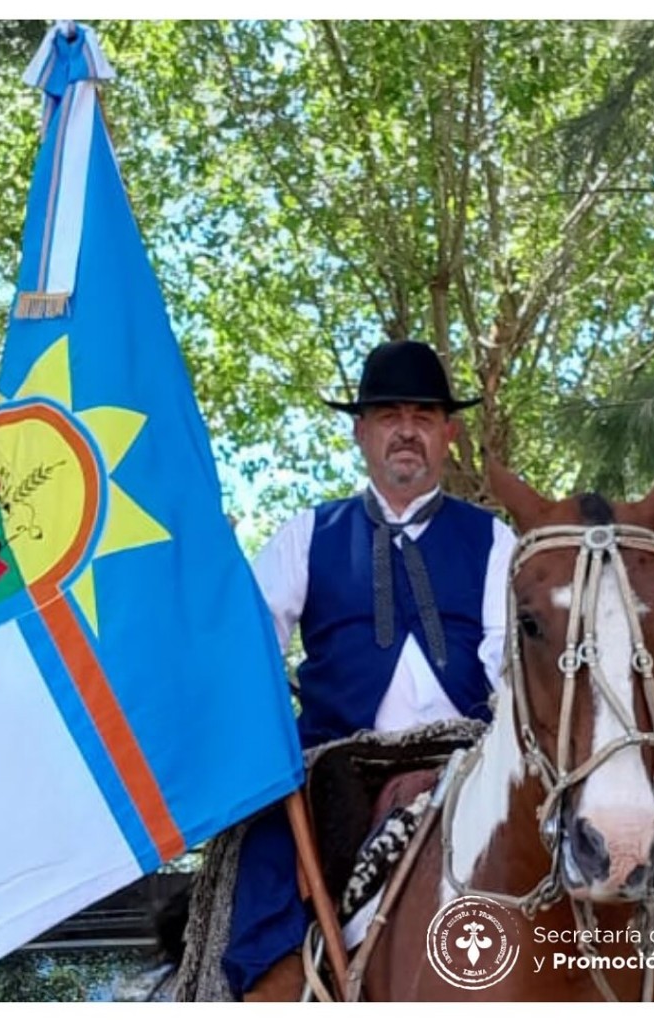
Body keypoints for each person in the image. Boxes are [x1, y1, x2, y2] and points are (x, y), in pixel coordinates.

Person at [222, 340, 515, 1000]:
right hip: (336, 762)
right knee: (263, 855)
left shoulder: (495, 540)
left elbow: (508, 664)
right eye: (388, 415)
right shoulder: (307, 534)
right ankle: (272, 993)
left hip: (466, 759)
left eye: (423, 415)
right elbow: (252, 647)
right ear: (361, 432)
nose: (405, 430)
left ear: (449, 432)